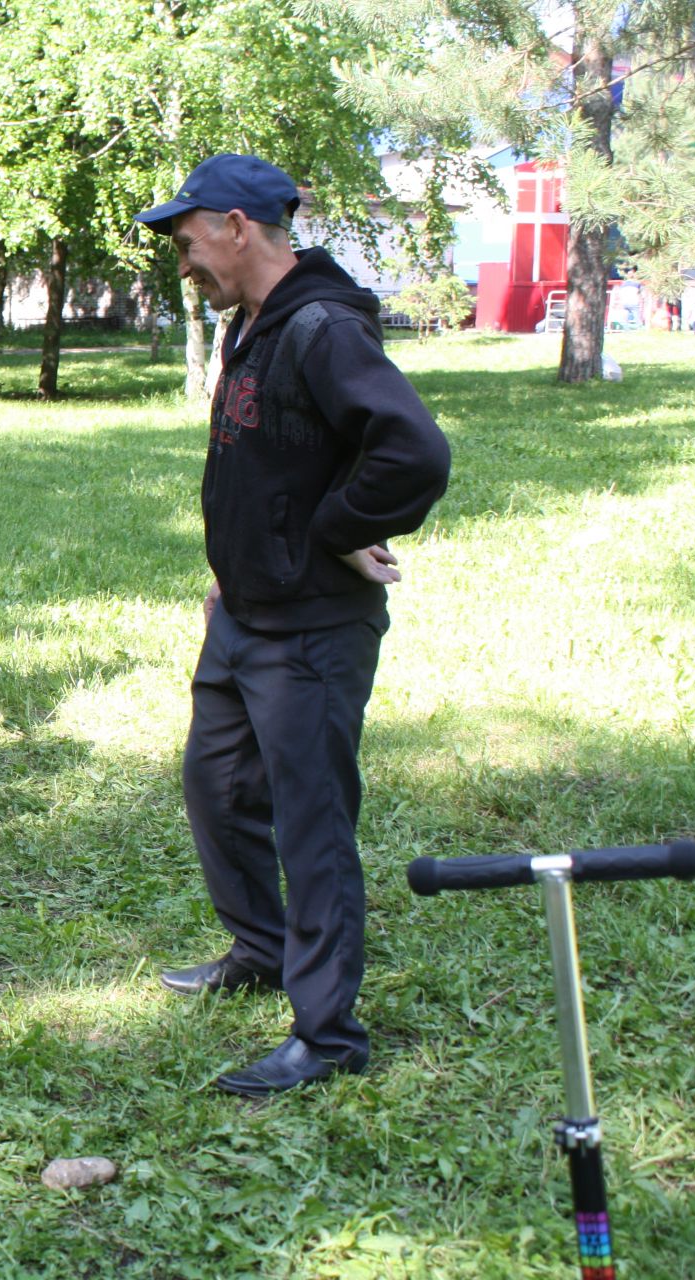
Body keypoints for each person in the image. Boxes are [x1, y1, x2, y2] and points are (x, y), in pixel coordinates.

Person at [136, 154, 451, 1097]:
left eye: (189, 242)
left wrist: (339, 531)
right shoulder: (256, 326)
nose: (184, 264)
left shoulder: (318, 326)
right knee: (217, 786)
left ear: (238, 226)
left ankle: (328, 1037)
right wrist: (237, 573)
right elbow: (272, 464)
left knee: (311, 827)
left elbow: (414, 451)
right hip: (245, 615)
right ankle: (262, 950)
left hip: (310, 631)